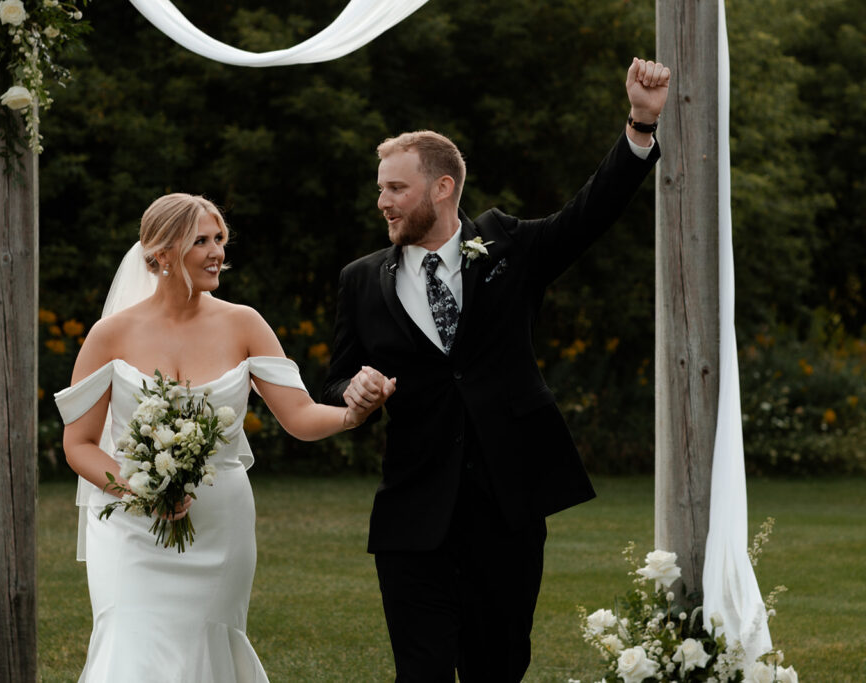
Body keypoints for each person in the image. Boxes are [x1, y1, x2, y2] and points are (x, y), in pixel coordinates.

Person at [321, 58, 671, 681]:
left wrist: (640, 126)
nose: (382, 202)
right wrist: (352, 387)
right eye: (380, 189)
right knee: (421, 672)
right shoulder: (359, 281)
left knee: (498, 667)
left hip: (507, 510)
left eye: (395, 188)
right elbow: (333, 375)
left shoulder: (507, 247)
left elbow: (588, 215)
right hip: (412, 513)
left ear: (442, 188)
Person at [54, 193, 376, 682]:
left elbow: (299, 415)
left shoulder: (244, 324)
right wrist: (141, 490)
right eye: (199, 241)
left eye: (219, 239)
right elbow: (78, 444)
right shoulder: (109, 335)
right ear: (159, 253)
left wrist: (351, 415)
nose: (216, 253)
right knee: (130, 642)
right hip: (129, 530)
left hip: (219, 523)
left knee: (206, 646)